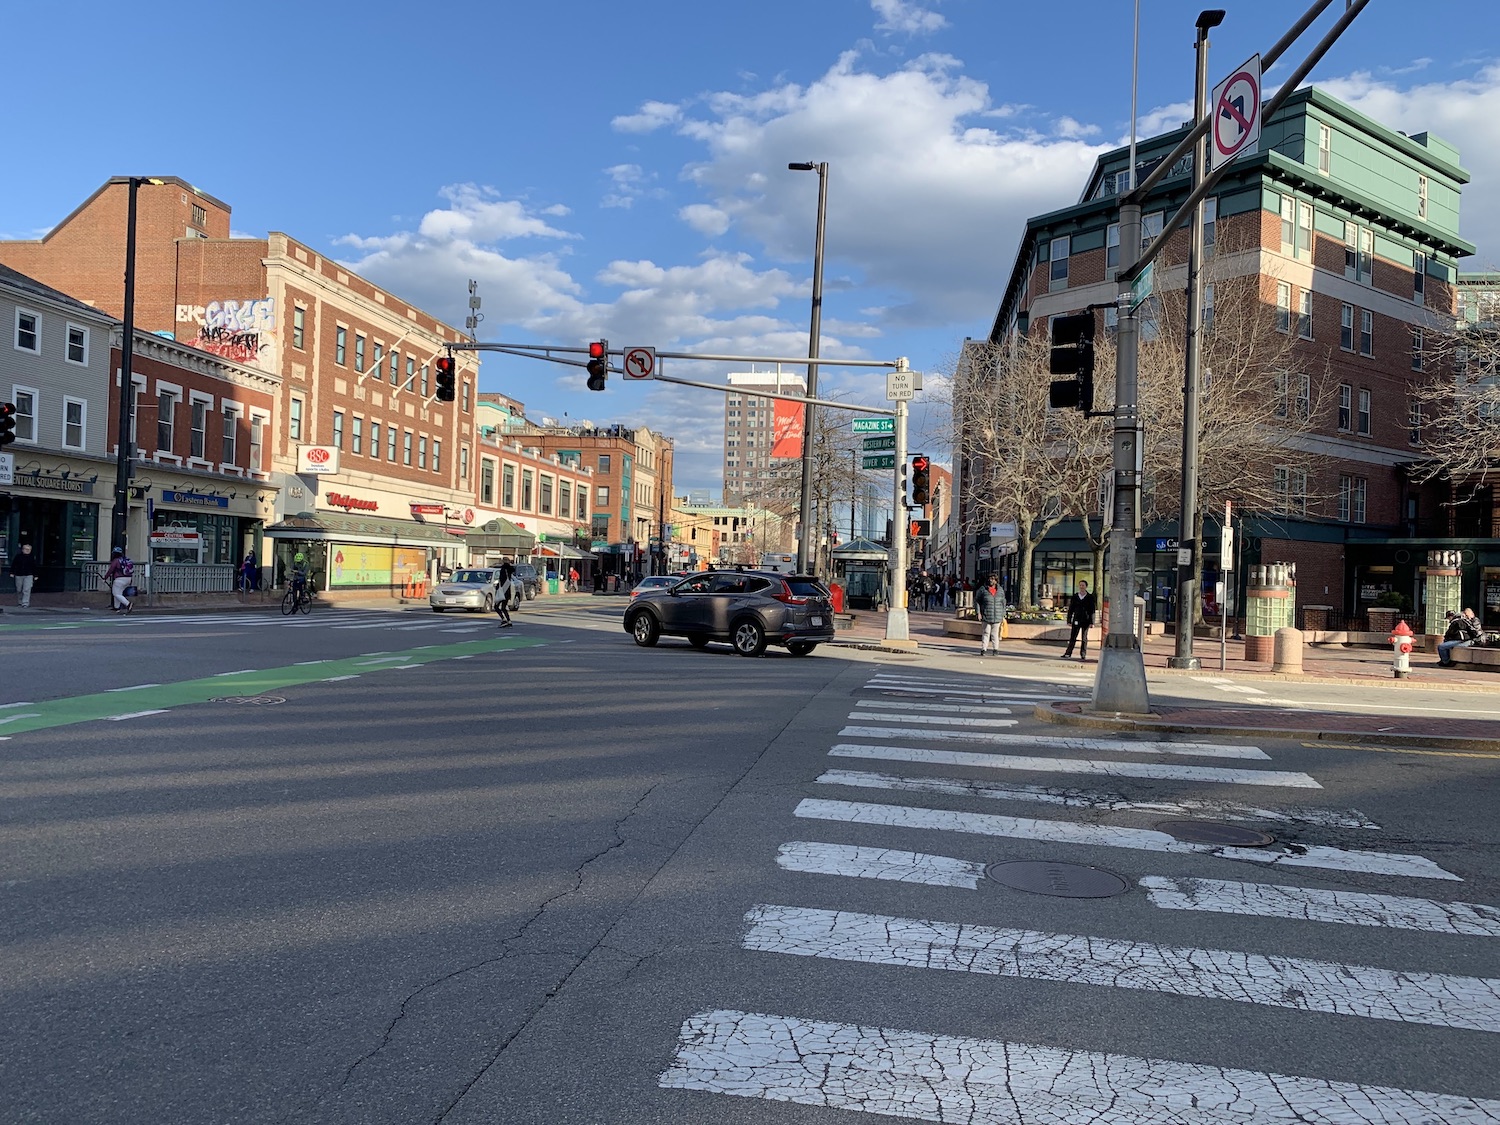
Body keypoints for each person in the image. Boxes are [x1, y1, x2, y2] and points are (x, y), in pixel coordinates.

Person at [1061, 580, 1098, 660]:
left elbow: (1092, 610)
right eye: (1080, 585)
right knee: (1073, 637)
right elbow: (1071, 609)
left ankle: (1083, 654)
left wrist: (1092, 622)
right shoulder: (1075, 596)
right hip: (1076, 619)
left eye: (1083, 585)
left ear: (1086, 586)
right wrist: (1069, 620)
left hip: (1086, 620)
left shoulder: (1090, 597)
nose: (1081, 587)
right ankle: (1068, 653)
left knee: (1084, 638)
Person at [975, 573, 1006, 656]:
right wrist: (978, 613)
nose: (990, 580)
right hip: (986, 614)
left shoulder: (1000, 590)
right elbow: (977, 601)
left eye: (992, 579)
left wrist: (1003, 613)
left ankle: (995, 649)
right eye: (989, 578)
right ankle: (983, 649)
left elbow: (1003, 602)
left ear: (996, 581)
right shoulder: (982, 590)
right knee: (986, 632)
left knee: (995, 634)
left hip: (997, 615)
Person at [104, 547, 134, 614]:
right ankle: (116, 607)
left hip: (119, 579)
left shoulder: (116, 560)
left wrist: (105, 577)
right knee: (119, 593)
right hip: (128, 578)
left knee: (116, 593)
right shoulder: (126, 560)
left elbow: (111, 570)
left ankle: (128, 604)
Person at [11, 543, 37, 608]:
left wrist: (35, 575)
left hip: (29, 575)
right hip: (19, 574)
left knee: (27, 589)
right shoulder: (18, 557)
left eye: (29, 549)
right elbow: (14, 565)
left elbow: (34, 567)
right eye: (26, 549)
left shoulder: (32, 557)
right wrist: (12, 572)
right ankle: (20, 602)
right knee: (19, 589)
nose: (27, 550)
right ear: (23, 550)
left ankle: (25, 603)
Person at [493, 559, 515, 627]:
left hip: (502, 591)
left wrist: (497, 588)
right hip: (507, 591)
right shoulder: (510, 570)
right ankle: (508, 620)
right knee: (503, 607)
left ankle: (504, 619)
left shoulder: (503, 569)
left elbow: (501, 580)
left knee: (496, 607)